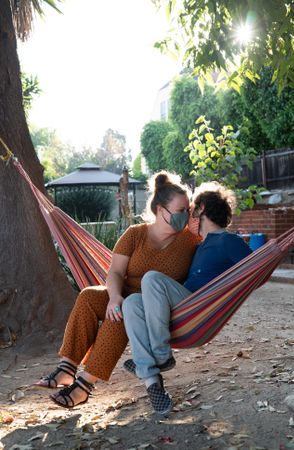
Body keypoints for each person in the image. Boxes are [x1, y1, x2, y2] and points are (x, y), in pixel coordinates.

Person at [34, 171, 200, 408]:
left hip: (153, 306)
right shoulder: (135, 234)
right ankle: (67, 368)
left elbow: (214, 240)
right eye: (181, 211)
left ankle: (83, 386)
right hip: (124, 294)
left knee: (119, 314)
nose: (186, 216)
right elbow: (115, 273)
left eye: (189, 210)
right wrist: (113, 297)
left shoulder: (190, 241)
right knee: (90, 296)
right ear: (161, 210)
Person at [122, 182, 252, 415]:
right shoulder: (201, 244)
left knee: (152, 279)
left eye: (191, 209)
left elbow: (256, 265)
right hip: (181, 309)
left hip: (197, 306)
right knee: (131, 303)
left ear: (201, 209)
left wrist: (275, 251)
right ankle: (150, 377)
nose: (189, 215)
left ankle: (159, 355)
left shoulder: (227, 240)